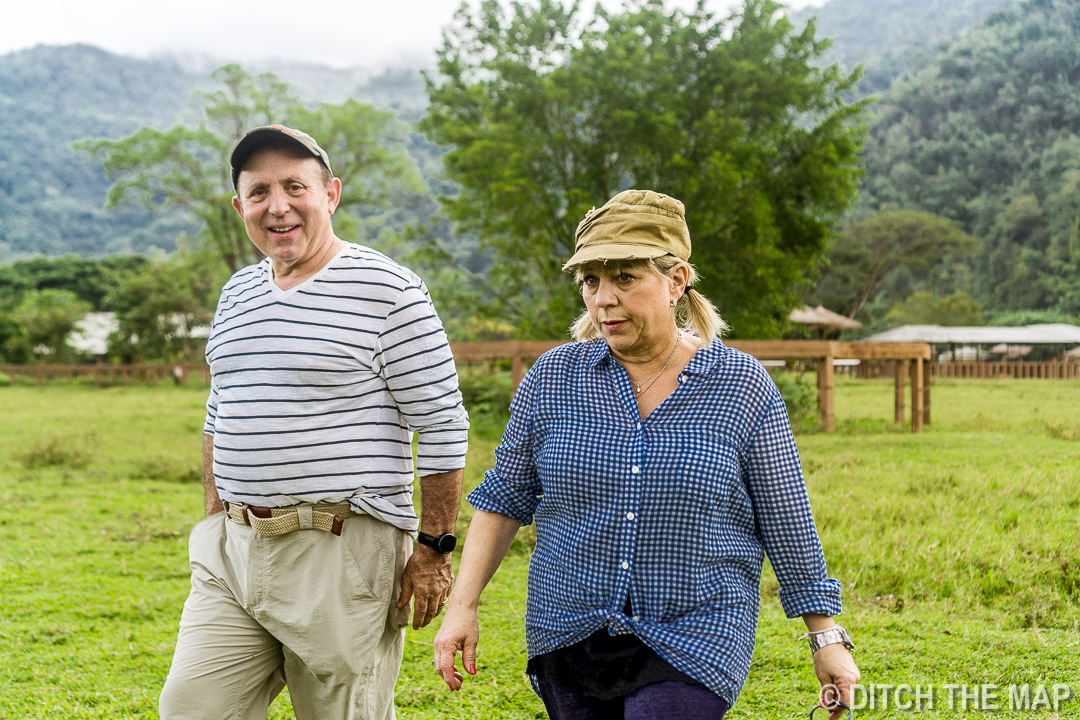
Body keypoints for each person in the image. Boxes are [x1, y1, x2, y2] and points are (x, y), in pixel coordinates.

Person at [433, 190, 859, 719]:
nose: (603, 299)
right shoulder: (554, 378)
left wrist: (825, 637)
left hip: (696, 632)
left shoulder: (741, 385)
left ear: (677, 280)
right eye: (591, 282)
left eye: (625, 279)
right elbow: (504, 499)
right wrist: (463, 606)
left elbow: (785, 514)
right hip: (568, 627)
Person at [159, 125, 469, 720]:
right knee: (191, 709)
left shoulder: (389, 290)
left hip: (342, 551)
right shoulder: (239, 292)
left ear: (330, 194)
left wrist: (433, 548)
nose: (278, 206)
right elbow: (219, 410)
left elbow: (442, 423)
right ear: (239, 207)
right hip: (237, 551)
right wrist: (215, 516)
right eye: (259, 192)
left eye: (295, 186)